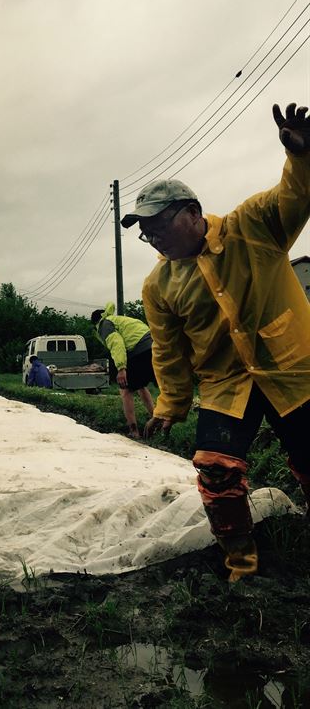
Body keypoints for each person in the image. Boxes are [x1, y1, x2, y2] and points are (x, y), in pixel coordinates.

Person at [121, 101, 310, 582]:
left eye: (159, 225)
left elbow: (296, 193)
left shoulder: (254, 226)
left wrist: (302, 156)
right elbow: (168, 350)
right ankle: (240, 564)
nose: (153, 237)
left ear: (192, 213)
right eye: (145, 232)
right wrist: (171, 402)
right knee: (216, 470)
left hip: (294, 369)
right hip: (226, 383)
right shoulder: (158, 286)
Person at [91, 302, 155, 439]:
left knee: (125, 389)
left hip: (137, 349)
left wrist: (121, 368)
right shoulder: (119, 320)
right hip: (153, 347)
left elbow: (116, 343)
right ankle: (156, 419)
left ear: (95, 323)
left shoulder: (104, 325)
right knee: (141, 386)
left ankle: (134, 430)